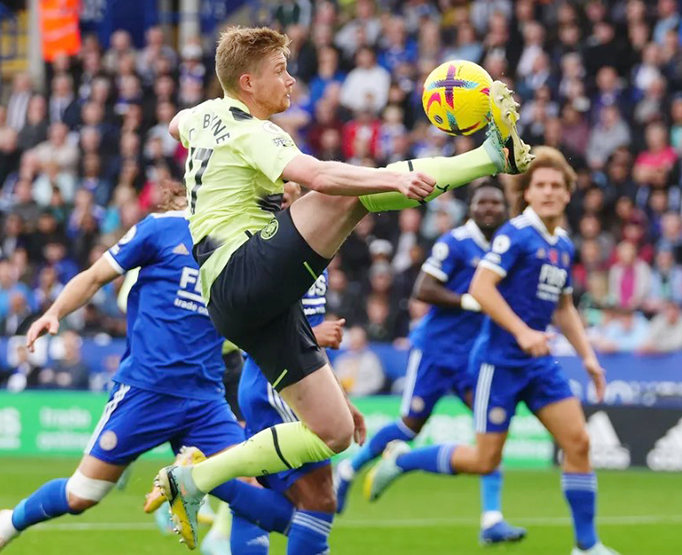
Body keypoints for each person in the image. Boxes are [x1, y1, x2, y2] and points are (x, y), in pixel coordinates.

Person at [156, 25, 533, 548]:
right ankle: (492, 159)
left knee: (330, 433)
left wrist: (240, 174)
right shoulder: (254, 131)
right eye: (279, 71)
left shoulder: (203, 116)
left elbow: (176, 125)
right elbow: (320, 177)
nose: (290, 80)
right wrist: (392, 179)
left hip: (245, 304)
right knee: (351, 195)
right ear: (247, 82)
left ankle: (194, 479)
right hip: (240, 270)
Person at [0, 182, 300, 555]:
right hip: (146, 391)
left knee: (251, 494)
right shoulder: (159, 230)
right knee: (82, 495)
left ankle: (310, 531)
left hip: (205, 399)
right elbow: (93, 277)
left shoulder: (242, 246)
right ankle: (5, 526)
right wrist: (54, 313)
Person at [364, 148, 620, 555]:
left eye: (557, 186)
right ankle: (402, 461)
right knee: (484, 460)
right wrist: (521, 332)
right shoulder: (515, 234)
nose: (550, 192)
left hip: (537, 364)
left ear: (568, 194)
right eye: (542, 185)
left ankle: (586, 546)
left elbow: (564, 306)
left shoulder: (564, 245)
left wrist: (588, 357)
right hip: (498, 363)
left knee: (579, 443)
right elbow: (482, 288)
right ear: (528, 193)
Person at [334, 183, 526, 545]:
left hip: (473, 357)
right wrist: (469, 302)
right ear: (471, 208)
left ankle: (491, 519)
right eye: (482, 202)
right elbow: (422, 288)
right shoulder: (454, 243)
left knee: (489, 430)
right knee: (409, 426)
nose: (489, 208)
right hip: (436, 351)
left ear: (505, 208)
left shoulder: (506, 248)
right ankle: (348, 469)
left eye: (496, 203)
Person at [231, 181, 344, 555]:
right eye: (274, 181)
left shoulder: (309, 249)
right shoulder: (257, 247)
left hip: (291, 383)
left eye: (289, 181)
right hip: (274, 385)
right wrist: (315, 333)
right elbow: (254, 320)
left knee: (284, 494)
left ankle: (205, 475)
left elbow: (303, 345)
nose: (283, 189)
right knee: (320, 501)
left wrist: (342, 401)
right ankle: (199, 477)